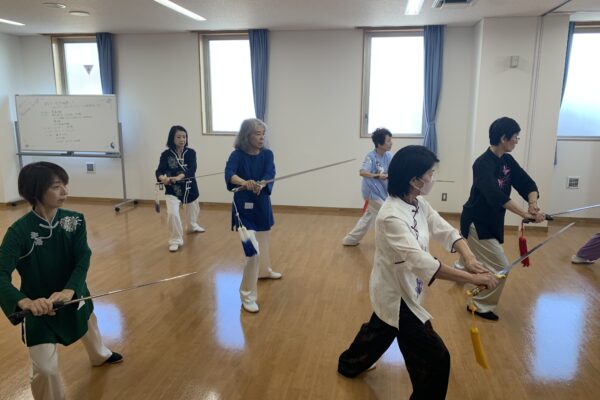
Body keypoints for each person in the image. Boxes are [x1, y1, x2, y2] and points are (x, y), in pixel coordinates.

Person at [338, 145, 498, 399]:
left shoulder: (418, 202)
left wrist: (468, 257)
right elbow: (422, 262)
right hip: (396, 293)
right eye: (430, 174)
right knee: (436, 357)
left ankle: (348, 364)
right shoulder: (390, 217)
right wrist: (473, 279)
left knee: (380, 329)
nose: (432, 178)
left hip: (407, 286)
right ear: (414, 180)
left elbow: (444, 229)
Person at [0, 162, 122, 400]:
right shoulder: (18, 232)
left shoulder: (74, 220)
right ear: (36, 191)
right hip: (40, 308)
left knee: (88, 321)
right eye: (57, 187)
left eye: (64, 185)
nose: (65, 192)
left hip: (73, 292)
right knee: (45, 369)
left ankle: (100, 355)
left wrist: (70, 290)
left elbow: (83, 257)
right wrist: (24, 302)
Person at [458, 117, 545, 321]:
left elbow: (526, 182)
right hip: (476, 222)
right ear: (504, 139)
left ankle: (461, 265)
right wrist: (524, 214)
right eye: (515, 138)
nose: (517, 141)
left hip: (492, 220)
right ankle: (479, 305)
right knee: (500, 267)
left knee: (477, 254)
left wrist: (533, 203)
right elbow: (495, 195)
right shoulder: (481, 164)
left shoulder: (507, 160)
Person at [225, 118, 282, 313]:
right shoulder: (237, 155)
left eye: (263, 134)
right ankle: (247, 296)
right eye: (257, 134)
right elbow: (229, 174)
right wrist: (245, 181)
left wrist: (262, 184)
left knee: (263, 242)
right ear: (246, 135)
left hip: (261, 206)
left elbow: (269, 174)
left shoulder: (267, 154)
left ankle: (264, 271)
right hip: (242, 209)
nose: (261, 137)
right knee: (252, 251)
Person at [156, 125, 205, 252]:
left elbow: (192, 169)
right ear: (172, 138)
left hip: (190, 187)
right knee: (172, 213)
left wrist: (179, 177)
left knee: (192, 209)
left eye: (184, 136)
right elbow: (159, 171)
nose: (182, 139)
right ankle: (175, 239)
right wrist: (163, 178)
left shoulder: (191, 153)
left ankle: (192, 225)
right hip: (173, 190)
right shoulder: (166, 154)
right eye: (178, 137)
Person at [342, 128, 393, 246]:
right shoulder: (371, 157)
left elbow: (395, 169)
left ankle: (350, 240)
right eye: (388, 141)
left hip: (383, 193)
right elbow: (362, 172)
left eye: (391, 140)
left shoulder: (389, 155)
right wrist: (377, 176)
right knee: (388, 214)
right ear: (380, 144)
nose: (391, 143)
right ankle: (390, 243)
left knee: (368, 218)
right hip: (372, 193)